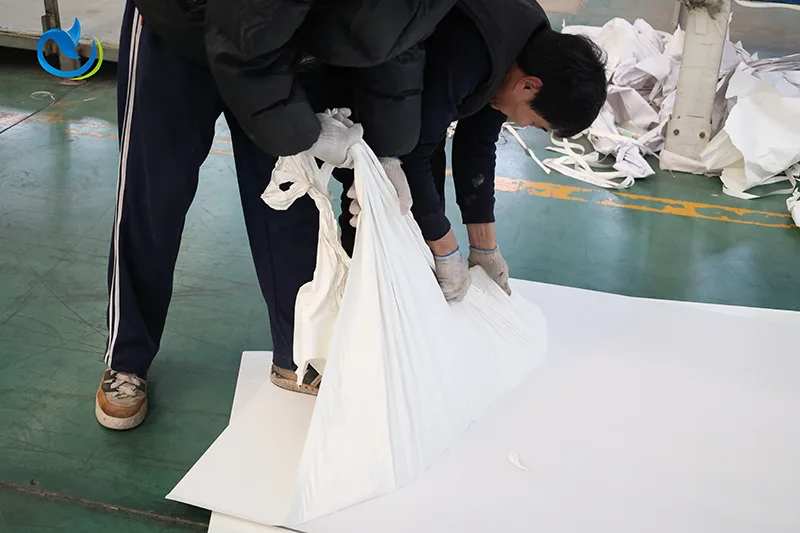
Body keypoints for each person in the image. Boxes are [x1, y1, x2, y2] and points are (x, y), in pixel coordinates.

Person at [96, 0, 456, 431]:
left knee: (290, 193)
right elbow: (241, 42)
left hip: (276, 32)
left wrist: (389, 150)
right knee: (154, 194)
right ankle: (127, 357)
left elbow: (402, 36)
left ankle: (296, 352)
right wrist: (300, 131)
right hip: (181, 21)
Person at [342, 0, 607, 301]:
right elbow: (412, 153)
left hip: (412, 101)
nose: (525, 125)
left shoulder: (526, 51)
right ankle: (359, 302)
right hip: (362, 80)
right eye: (535, 123)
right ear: (529, 86)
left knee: (425, 219)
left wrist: (484, 246)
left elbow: (478, 142)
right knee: (380, 214)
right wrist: (444, 246)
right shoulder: (470, 52)